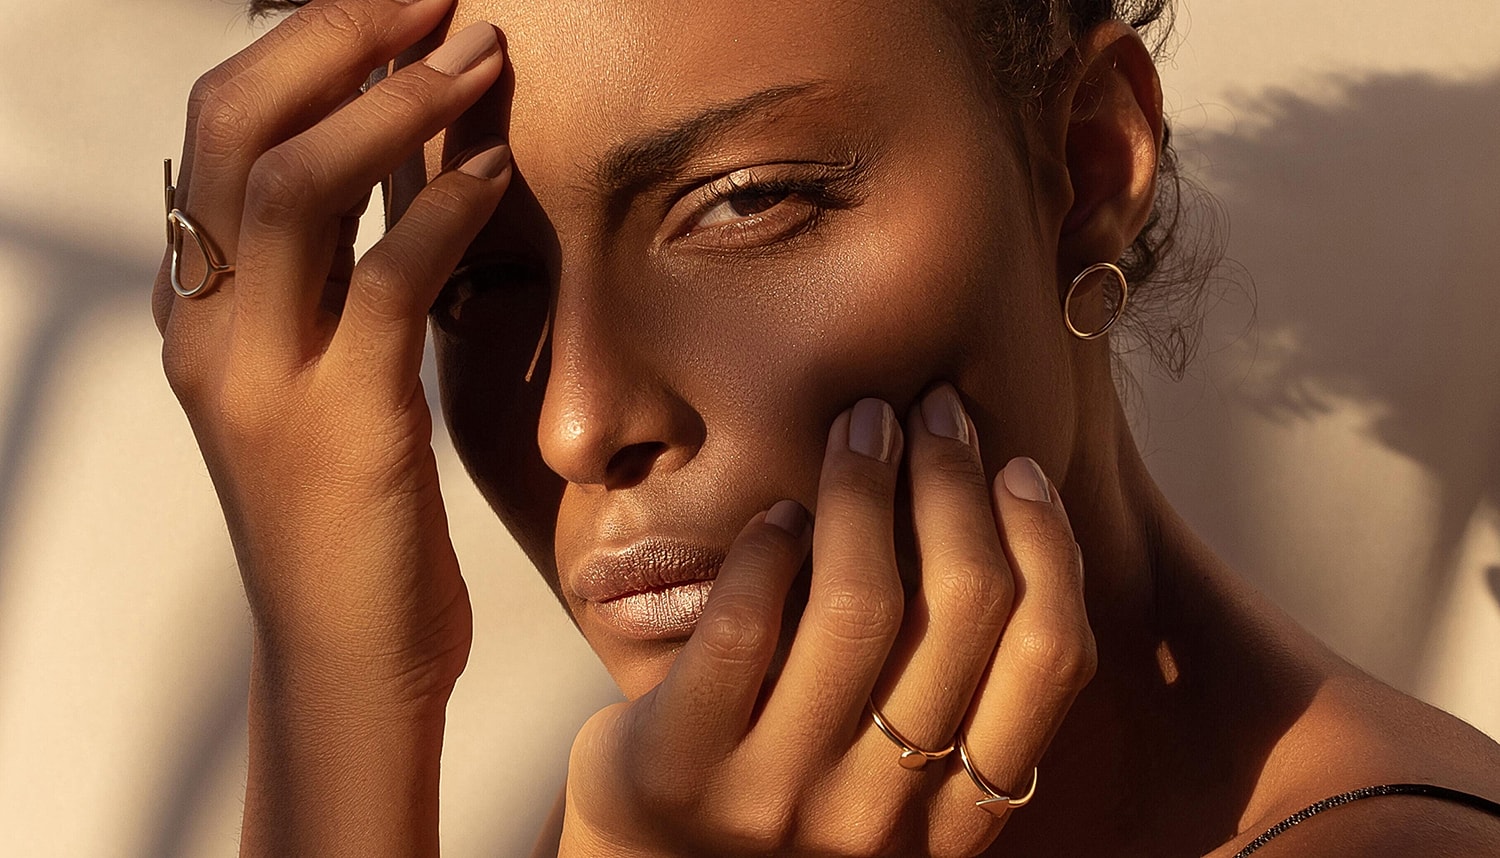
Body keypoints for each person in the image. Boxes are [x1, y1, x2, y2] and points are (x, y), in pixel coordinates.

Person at [151, 0, 1500, 854]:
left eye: (745, 201)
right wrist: (337, 676)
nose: (575, 422)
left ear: (1087, 161)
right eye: (469, 284)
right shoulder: (694, 794)